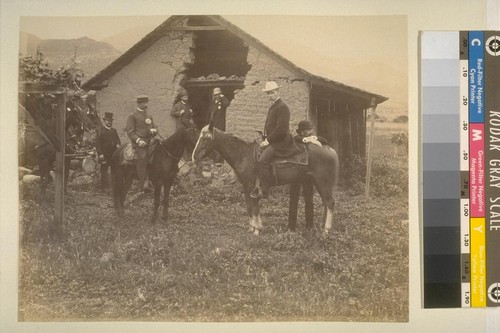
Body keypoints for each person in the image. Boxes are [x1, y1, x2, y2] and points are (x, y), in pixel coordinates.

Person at [252, 81, 301, 199]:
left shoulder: (282, 107)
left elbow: (281, 129)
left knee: (262, 161)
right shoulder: (274, 106)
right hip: (275, 140)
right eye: (268, 93)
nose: (270, 95)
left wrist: (267, 141)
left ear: (278, 92)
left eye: (272, 93)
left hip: (281, 142)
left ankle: (264, 190)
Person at [126, 95, 157, 193]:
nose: (146, 104)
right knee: (142, 157)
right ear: (139, 103)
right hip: (140, 143)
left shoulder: (149, 116)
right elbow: (130, 132)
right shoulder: (132, 116)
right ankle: (144, 183)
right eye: (144, 102)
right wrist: (139, 141)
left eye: (147, 102)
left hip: (150, 141)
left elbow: (155, 127)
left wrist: (154, 130)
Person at [95, 112, 121, 189]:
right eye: (108, 120)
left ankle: (114, 187)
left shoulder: (114, 131)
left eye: (110, 121)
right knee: (104, 172)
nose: (109, 122)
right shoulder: (101, 131)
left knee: (114, 171)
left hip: (113, 155)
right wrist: (100, 154)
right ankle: (104, 188)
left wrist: (118, 144)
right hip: (104, 155)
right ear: (104, 121)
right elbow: (97, 144)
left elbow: (118, 140)